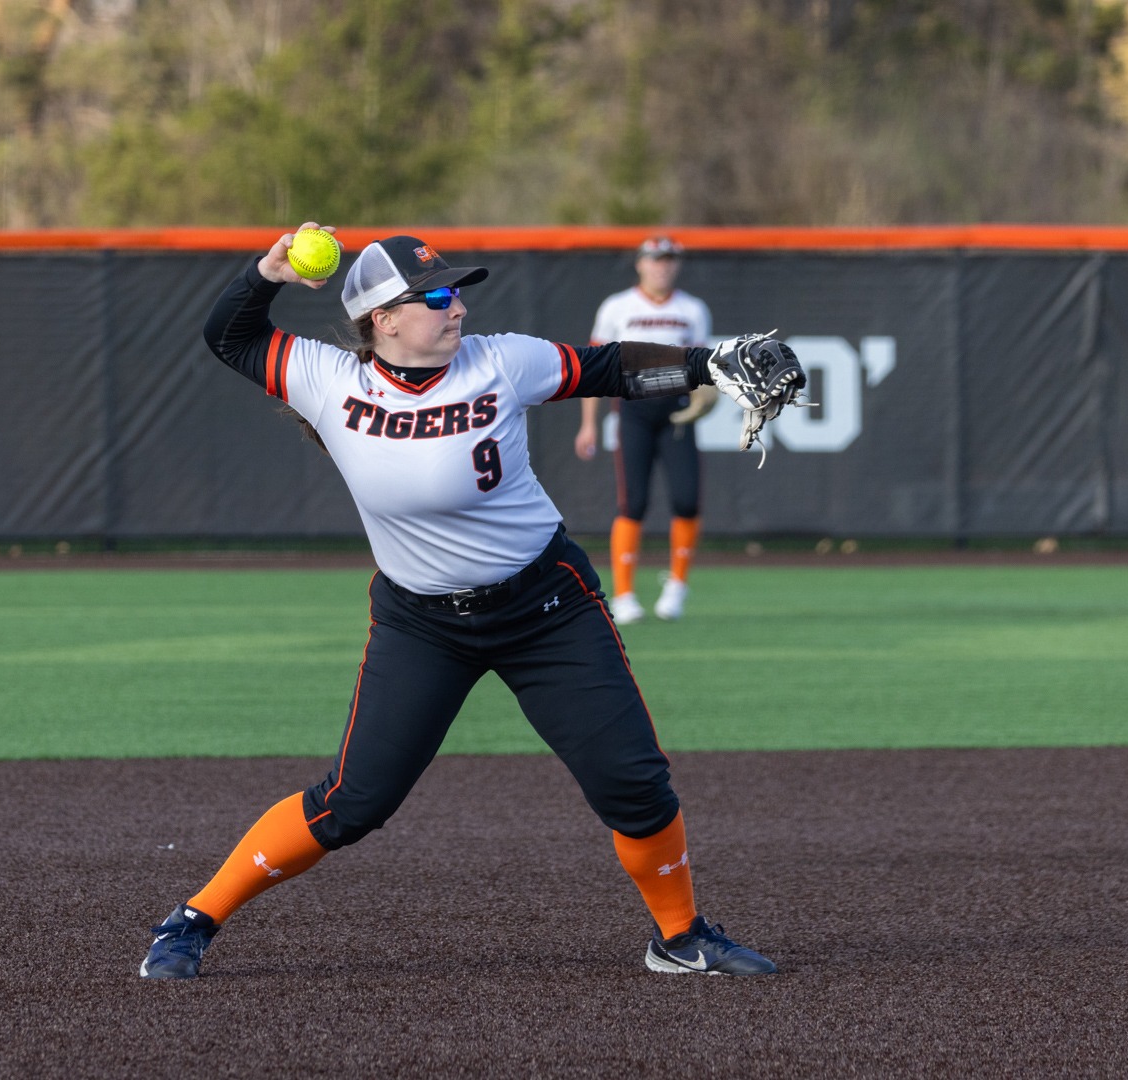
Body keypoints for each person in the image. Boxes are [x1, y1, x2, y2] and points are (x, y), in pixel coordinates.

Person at [141, 223, 799, 981]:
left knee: (634, 784)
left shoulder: (499, 361)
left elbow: (609, 367)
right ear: (383, 319)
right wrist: (267, 274)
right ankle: (192, 919)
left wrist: (706, 363)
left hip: (546, 607)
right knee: (351, 804)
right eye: (435, 296)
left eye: (457, 291)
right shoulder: (323, 379)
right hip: (423, 625)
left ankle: (680, 938)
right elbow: (228, 334)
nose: (456, 307)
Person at [575, 236, 716, 625]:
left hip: (676, 411)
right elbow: (593, 371)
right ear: (640, 264)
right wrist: (589, 424)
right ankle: (623, 594)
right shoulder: (618, 307)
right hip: (633, 409)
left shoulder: (692, 309)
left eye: (669, 260)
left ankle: (677, 587)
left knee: (687, 499)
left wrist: (705, 397)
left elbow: (703, 367)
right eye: (655, 260)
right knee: (632, 503)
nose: (662, 267)